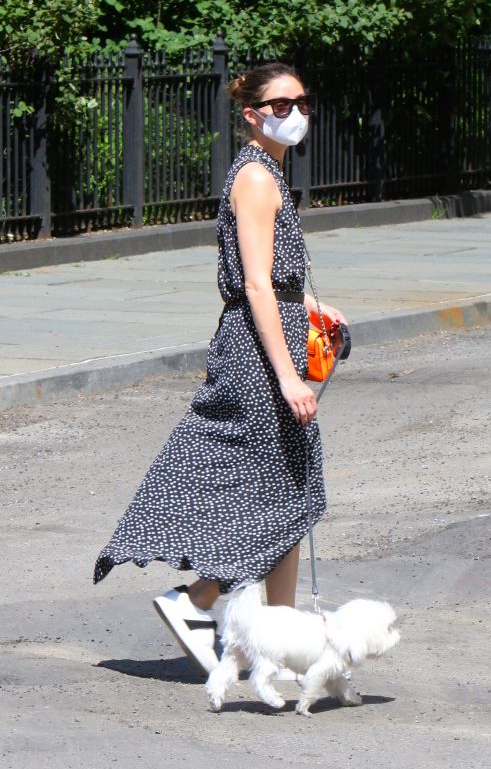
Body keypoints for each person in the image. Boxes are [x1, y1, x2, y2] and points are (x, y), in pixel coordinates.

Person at [93, 62, 348, 675]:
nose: (296, 115)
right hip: (259, 352)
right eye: (281, 106)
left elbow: (269, 278)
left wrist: (311, 305)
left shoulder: (268, 173)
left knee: (284, 489)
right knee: (285, 491)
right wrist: (288, 374)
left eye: (302, 102)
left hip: (268, 333)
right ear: (252, 115)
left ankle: (271, 640)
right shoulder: (258, 179)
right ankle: (199, 600)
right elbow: (255, 283)